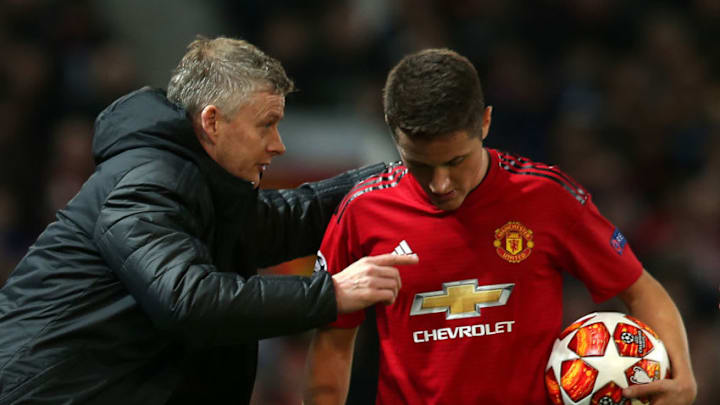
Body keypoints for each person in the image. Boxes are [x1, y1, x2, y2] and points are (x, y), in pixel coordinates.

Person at [0, 36, 417, 404]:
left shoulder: (197, 182)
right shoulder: (146, 182)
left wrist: (396, 177)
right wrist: (333, 294)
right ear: (212, 121)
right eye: (267, 125)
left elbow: (282, 221)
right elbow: (188, 300)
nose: (279, 145)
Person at [303, 49, 697, 404]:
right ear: (393, 130)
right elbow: (333, 342)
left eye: (455, 161)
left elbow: (640, 289)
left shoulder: (547, 197)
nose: (440, 184)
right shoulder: (363, 209)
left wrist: (684, 379)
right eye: (420, 165)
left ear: (486, 121)